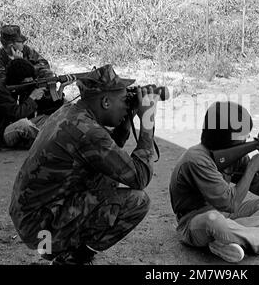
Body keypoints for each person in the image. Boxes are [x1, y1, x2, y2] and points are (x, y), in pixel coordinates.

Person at [9, 64, 160, 265]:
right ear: (105, 101)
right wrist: (147, 121)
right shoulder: (87, 131)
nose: (126, 105)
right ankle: (74, 258)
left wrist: (126, 118)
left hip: (33, 215)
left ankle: (63, 245)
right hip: (39, 226)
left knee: (106, 175)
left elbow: (108, 156)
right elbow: (139, 177)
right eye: (124, 100)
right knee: (137, 201)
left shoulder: (72, 112)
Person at [169, 101, 259, 263]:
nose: (247, 139)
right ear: (223, 137)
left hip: (227, 217)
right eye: (242, 136)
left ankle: (227, 239)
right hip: (194, 223)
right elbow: (230, 204)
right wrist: (252, 167)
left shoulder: (233, 154)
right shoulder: (196, 160)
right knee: (214, 220)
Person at [0, 24, 63, 115]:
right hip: (11, 91)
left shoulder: (27, 50)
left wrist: (27, 68)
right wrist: (17, 63)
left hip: (31, 83)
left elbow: (44, 64)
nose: (23, 44)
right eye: (20, 42)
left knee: (47, 74)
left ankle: (47, 107)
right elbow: (4, 81)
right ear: (11, 45)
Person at [0, 58, 48, 151]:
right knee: (24, 125)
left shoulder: (22, 86)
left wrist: (59, 89)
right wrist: (32, 97)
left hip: (19, 124)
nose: (30, 81)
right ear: (16, 80)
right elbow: (17, 114)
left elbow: (47, 107)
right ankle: (48, 141)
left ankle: (39, 139)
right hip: (1, 134)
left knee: (48, 117)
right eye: (27, 81)